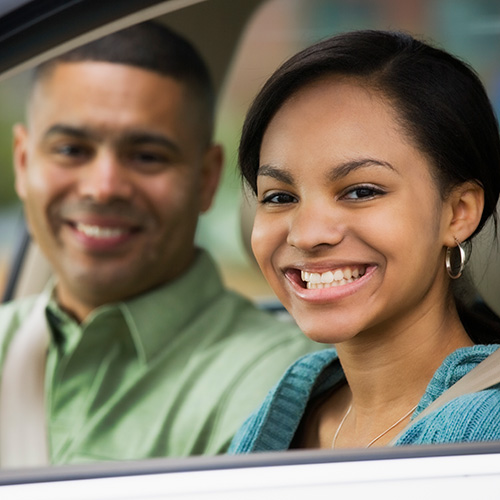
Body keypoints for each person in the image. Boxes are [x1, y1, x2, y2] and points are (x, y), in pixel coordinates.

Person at [0, 21, 320, 467]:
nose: (103, 187)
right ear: (22, 161)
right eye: (72, 150)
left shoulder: (275, 382)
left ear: (206, 179)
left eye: (147, 156)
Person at [229, 29, 500, 453]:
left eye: (361, 191)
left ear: (458, 212)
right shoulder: (279, 415)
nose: (308, 234)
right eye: (280, 197)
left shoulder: (485, 431)